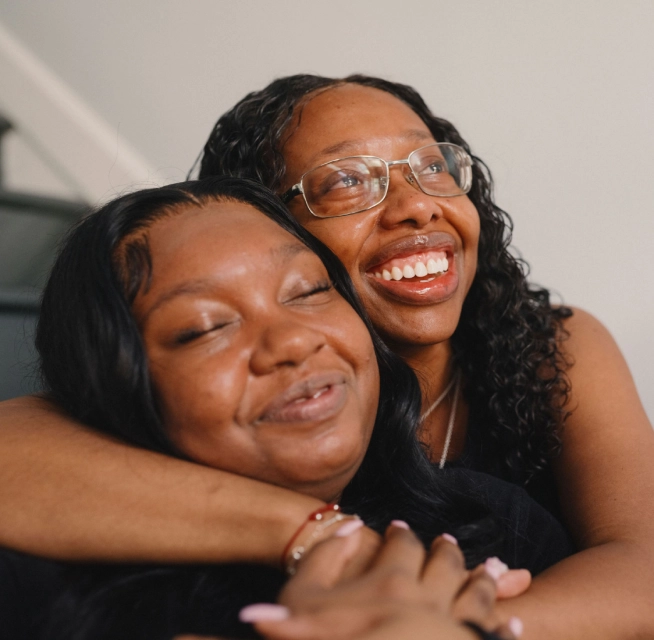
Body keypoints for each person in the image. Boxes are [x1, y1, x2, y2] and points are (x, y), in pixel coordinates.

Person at [0, 74, 652, 638]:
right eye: (345, 182)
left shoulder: (535, 402)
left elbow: (642, 570)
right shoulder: (190, 425)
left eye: (431, 166)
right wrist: (320, 535)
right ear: (263, 222)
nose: (416, 206)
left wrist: (443, 628)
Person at [7, 176, 547, 639]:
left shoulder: (498, 524)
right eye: (206, 327)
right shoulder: (39, 585)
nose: (292, 342)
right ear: (119, 385)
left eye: (309, 290)